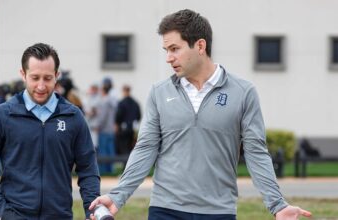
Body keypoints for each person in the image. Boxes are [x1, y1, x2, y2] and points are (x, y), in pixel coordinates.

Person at [89, 9, 312, 220]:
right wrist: (118, 195)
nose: (169, 57)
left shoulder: (243, 92)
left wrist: (278, 204)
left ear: (200, 45)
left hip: (219, 211)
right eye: (166, 50)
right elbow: (146, 147)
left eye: (175, 49)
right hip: (165, 209)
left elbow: (256, 152)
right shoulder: (159, 92)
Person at [0, 43, 100, 220]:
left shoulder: (73, 117)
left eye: (47, 78)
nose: (41, 86)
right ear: (23, 74)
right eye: (35, 78)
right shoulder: (3, 115)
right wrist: (3, 211)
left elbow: (88, 168)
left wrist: (92, 210)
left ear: (57, 76)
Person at [96, 82, 117, 174]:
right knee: (110, 150)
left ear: (103, 90)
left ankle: (104, 171)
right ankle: (111, 170)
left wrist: (98, 125)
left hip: (104, 129)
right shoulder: (112, 101)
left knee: (103, 151)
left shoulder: (104, 101)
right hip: (111, 129)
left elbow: (103, 116)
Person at [115, 85, 141, 159]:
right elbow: (139, 116)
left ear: (124, 91)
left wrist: (116, 125)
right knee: (130, 147)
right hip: (132, 129)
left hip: (123, 129)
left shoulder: (122, 103)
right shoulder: (135, 103)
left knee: (124, 148)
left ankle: (125, 165)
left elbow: (118, 116)